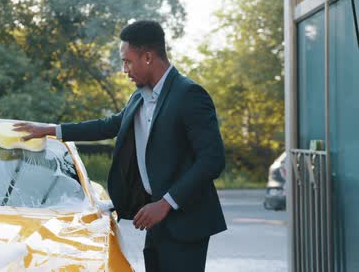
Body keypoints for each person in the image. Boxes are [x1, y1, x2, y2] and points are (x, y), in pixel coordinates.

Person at [14, 20, 226, 272]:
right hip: (156, 219)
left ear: (147, 57)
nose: (124, 69)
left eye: (127, 61)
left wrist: (166, 203)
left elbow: (212, 160)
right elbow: (109, 125)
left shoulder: (189, 94)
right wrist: (52, 130)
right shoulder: (139, 95)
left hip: (185, 222)